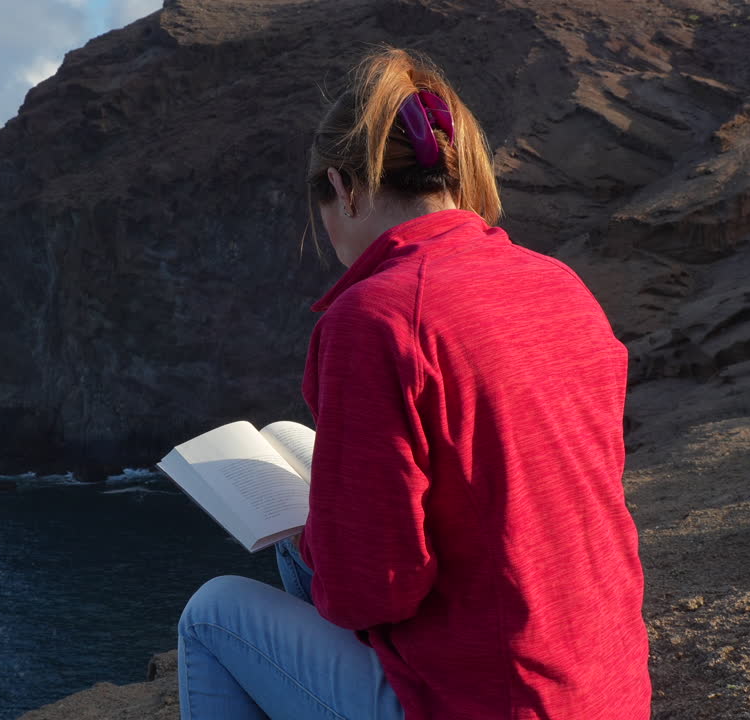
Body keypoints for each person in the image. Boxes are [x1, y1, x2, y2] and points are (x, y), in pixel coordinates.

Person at [177, 46, 651, 719]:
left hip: (494, 700)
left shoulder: (377, 318)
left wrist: (314, 531)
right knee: (309, 551)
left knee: (212, 615)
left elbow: (376, 591)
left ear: (345, 188)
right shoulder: (559, 285)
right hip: (603, 687)